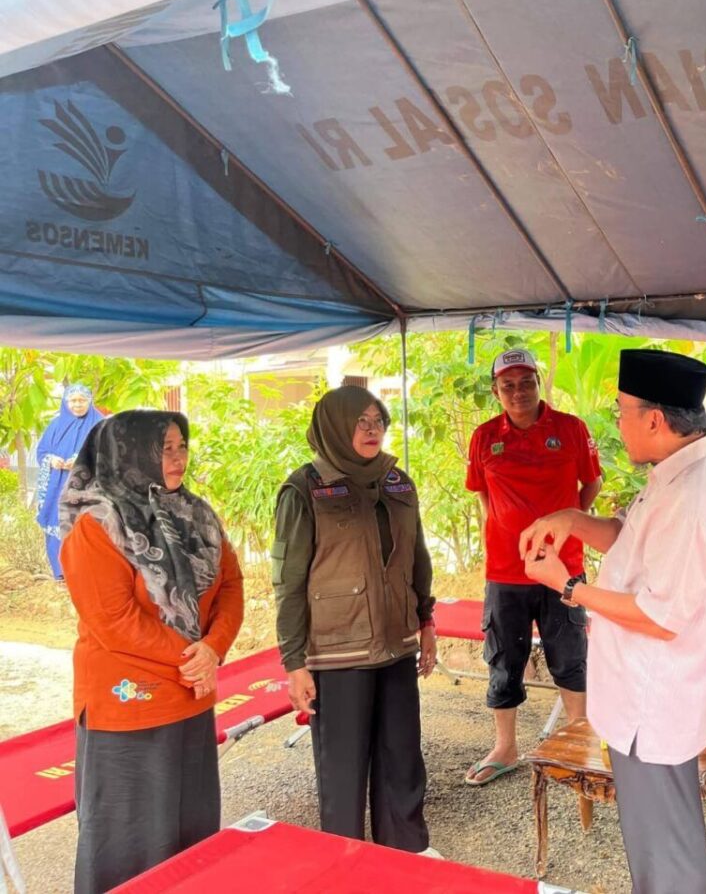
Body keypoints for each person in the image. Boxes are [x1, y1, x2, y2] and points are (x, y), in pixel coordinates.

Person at [521, 349, 706, 894]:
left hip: (658, 697)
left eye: (622, 411)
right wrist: (572, 519)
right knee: (656, 839)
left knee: (665, 845)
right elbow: (630, 537)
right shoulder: (680, 468)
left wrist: (568, 586)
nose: (616, 423)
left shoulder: (695, 494)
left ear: (654, 419)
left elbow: (660, 616)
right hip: (649, 692)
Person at [59, 410, 244, 894]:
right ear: (130, 452)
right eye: (164, 448)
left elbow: (231, 585)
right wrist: (195, 656)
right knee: (129, 844)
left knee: (189, 835)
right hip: (129, 708)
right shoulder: (97, 524)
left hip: (190, 696)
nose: (178, 457)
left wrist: (214, 649)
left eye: (182, 445)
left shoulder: (196, 514)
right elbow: (113, 622)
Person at [272, 385, 437, 853]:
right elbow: (288, 581)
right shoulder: (304, 488)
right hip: (337, 648)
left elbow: (417, 557)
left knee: (402, 759)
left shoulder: (397, 481)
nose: (372, 430)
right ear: (335, 426)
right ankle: (345, 864)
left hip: (397, 641)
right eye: (360, 421)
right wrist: (294, 662)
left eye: (377, 421)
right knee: (343, 767)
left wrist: (426, 623)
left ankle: (405, 856)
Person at [463, 348, 602, 785]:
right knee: (503, 659)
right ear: (495, 391)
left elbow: (592, 481)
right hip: (505, 570)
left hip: (564, 569)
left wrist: (568, 526)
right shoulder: (484, 436)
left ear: (539, 384)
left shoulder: (571, 428)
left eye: (527, 382)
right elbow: (482, 493)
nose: (518, 391)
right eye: (508, 384)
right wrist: (504, 527)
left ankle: (577, 743)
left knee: (570, 656)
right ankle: (506, 748)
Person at [35, 383, 103, 580]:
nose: (77, 405)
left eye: (82, 400)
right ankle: (60, 572)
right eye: (73, 401)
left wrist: (80, 461)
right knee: (56, 522)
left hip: (87, 487)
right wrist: (51, 460)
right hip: (57, 485)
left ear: (90, 401)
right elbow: (41, 452)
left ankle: (85, 573)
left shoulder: (99, 424)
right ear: (66, 402)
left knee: (84, 526)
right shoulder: (56, 425)